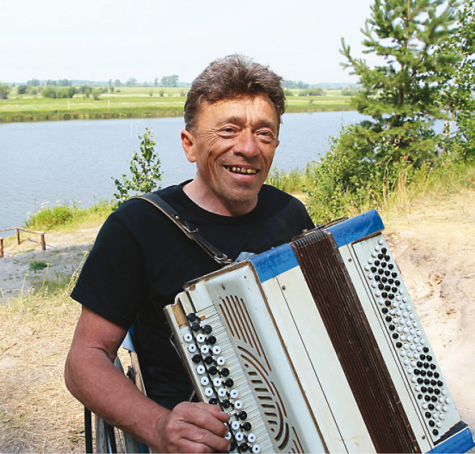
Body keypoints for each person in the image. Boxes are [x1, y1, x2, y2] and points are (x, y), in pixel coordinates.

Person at [65, 55, 315, 453]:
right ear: (190, 144)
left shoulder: (292, 214)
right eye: (228, 130)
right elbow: (85, 360)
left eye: (263, 134)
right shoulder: (136, 227)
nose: (248, 148)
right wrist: (158, 425)